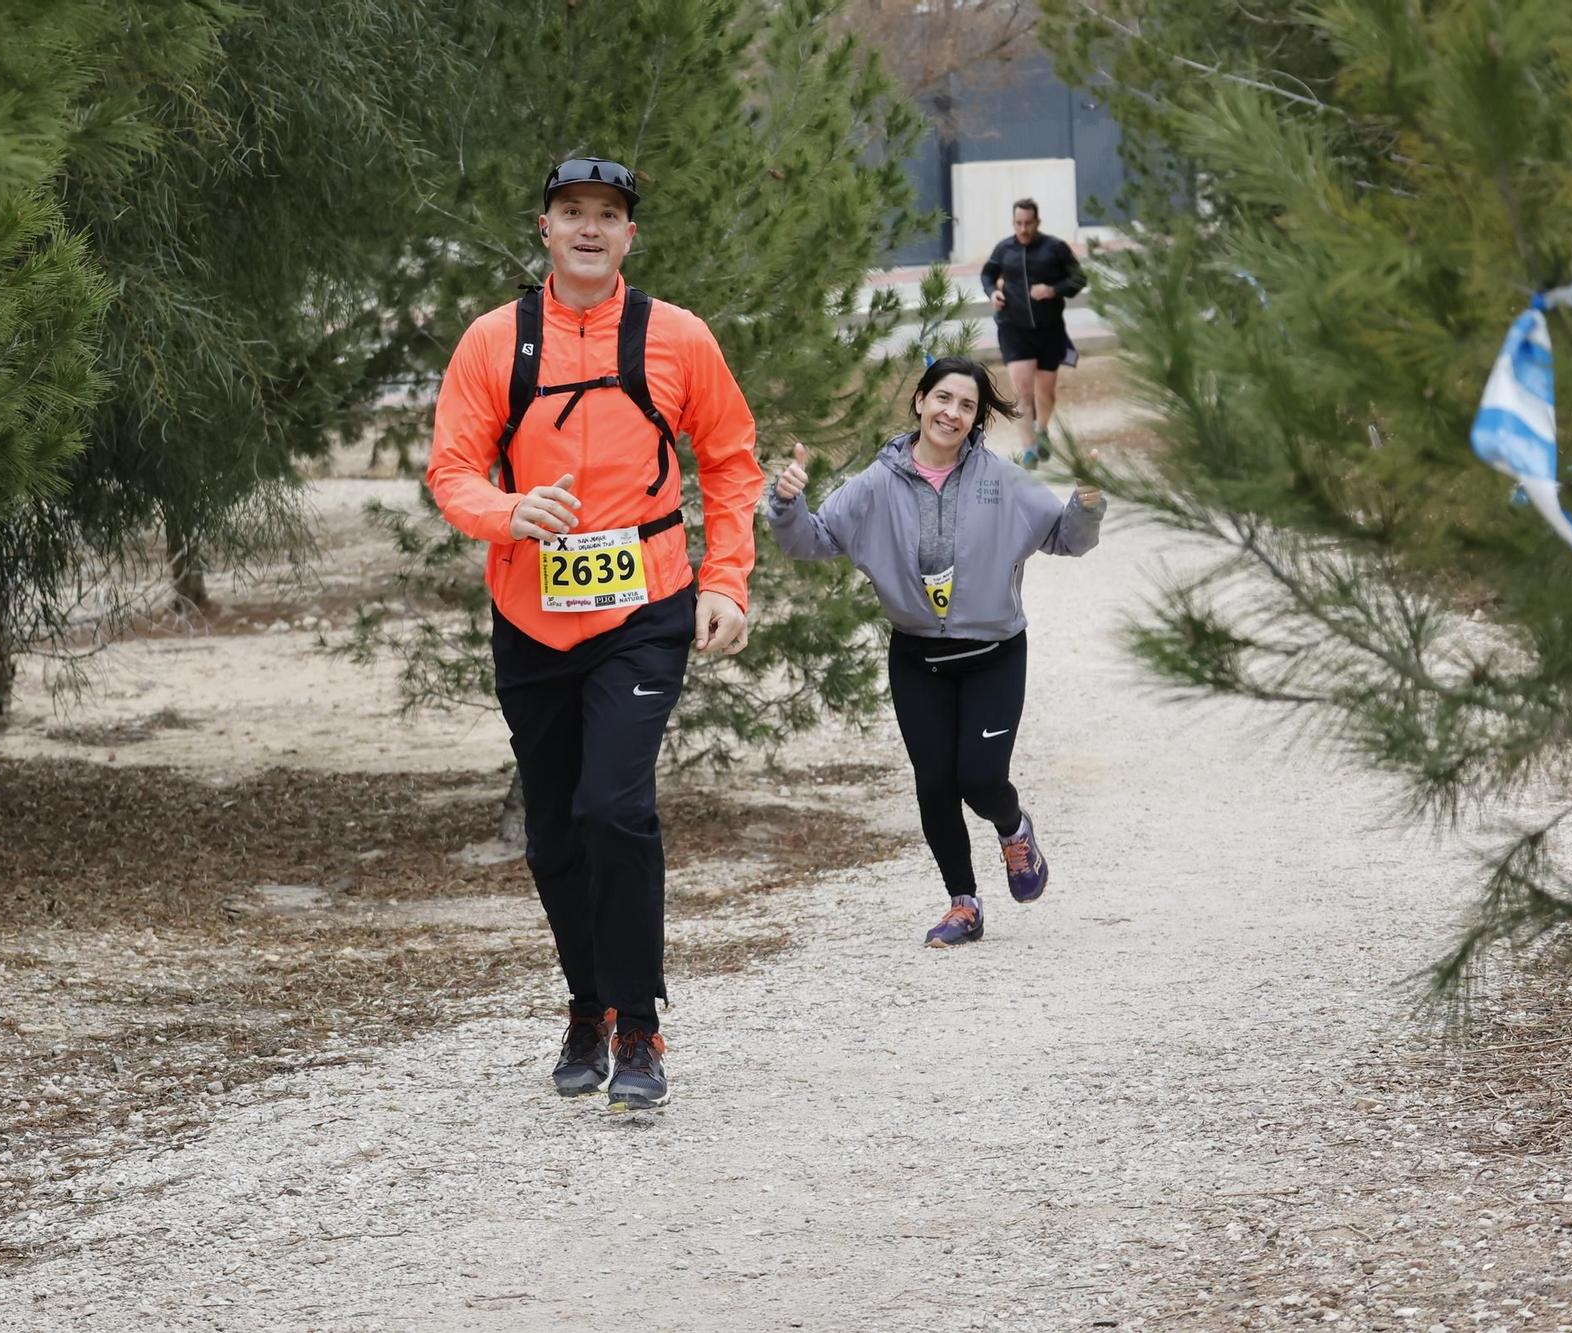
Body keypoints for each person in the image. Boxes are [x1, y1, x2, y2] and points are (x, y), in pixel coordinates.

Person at [425, 157, 764, 1109]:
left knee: (616, 806)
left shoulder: (677, 338)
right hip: (530, 611)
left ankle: (641, 1024)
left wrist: (726, 581)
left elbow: (732, 463)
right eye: (570, 211)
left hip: (646, 604)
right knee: (553, 836)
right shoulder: (496, 341)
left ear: (629, 237)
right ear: (544, 228)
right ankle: (588, 1006)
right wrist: (507, 512)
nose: (588, 227)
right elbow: (451, 469)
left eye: (606, 215)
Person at [765, 356, 1104, 948]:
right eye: (943, 398)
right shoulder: (875, 484)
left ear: (975, 420)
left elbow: (1063, 537)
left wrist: (1088, 506)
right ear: (920, 401)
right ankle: (963, 904)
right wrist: (787, 504)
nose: (952, 412)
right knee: (934, 783)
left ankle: (1013, 827)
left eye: (967, 406)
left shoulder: (1000, 480)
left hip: (995, 653)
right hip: (918, 657)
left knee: (979, 778)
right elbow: (814, 540)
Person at [980, 198, 1087, 467]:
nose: (1023, 229)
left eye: (1028, 223)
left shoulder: (1055, 248)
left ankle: (1042, 430)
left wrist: (1053, 290)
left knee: (1046, 393)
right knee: (1022, 394)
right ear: (1013, 222)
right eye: (1018, 223)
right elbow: (987, 274)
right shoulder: (1004, 249)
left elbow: (1078, 279)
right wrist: (992, 292)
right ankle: (1028, 450)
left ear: (1037, 222)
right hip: (1014, 329)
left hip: (1049, 331)